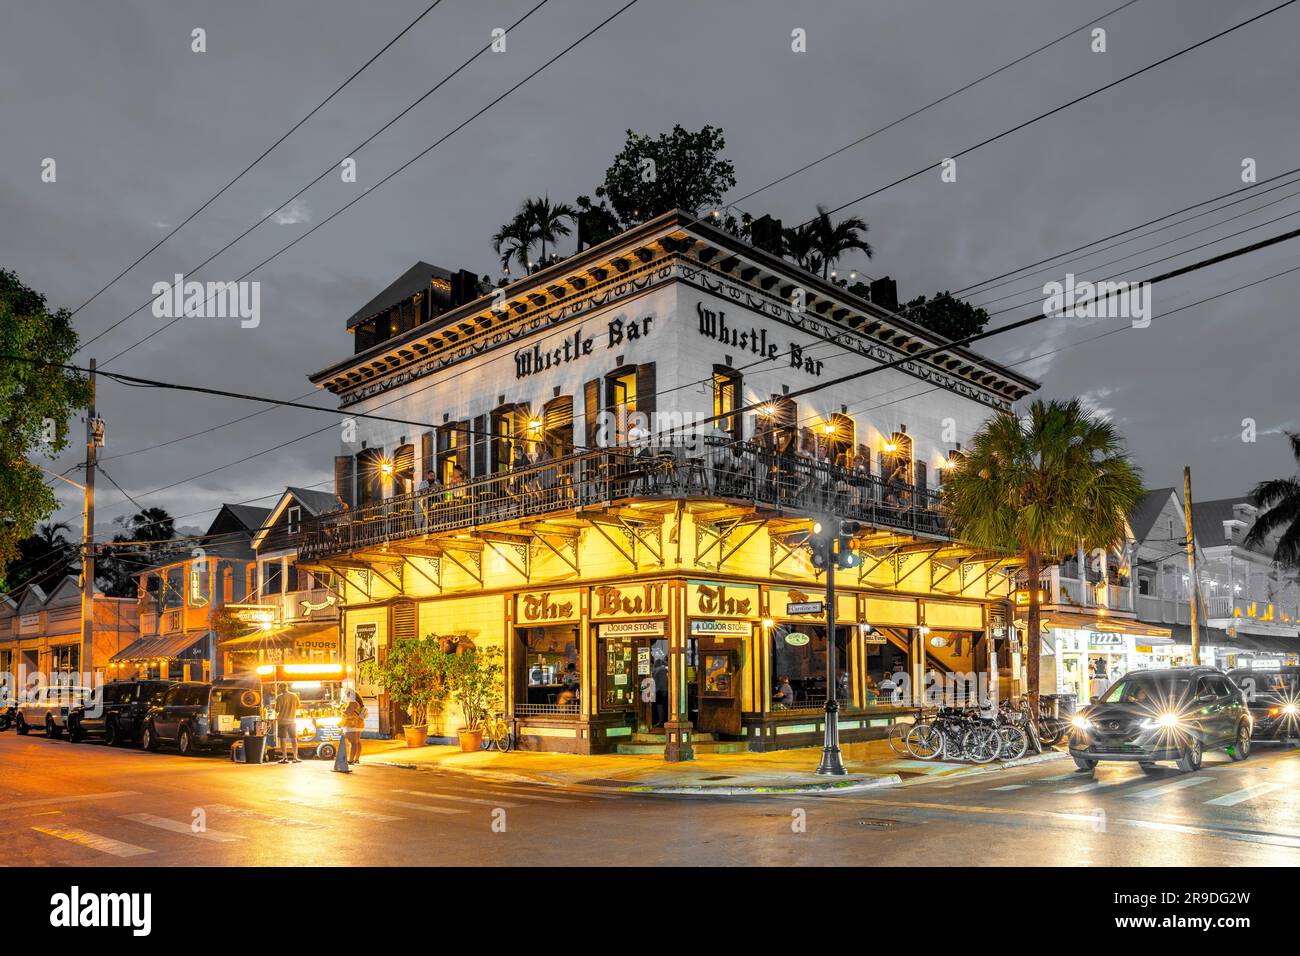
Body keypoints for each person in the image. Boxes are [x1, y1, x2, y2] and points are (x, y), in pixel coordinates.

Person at [273, 684, 301, 764]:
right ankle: (295, 758)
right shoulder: (294, 696)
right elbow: (298, 706)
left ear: (280, 688)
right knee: (294, 739)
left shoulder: (279, 697)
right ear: (287, 687)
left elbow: (277, 710)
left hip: (282, 721)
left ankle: (285, 758)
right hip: (292, 720)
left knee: (283, 739)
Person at [340, 689, 366, 766]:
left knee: (352, 743)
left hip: (351, 724)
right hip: (357, 724)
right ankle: (356, 759)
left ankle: (350, 760)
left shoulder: (352, 702)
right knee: (357, 742)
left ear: (349, 695)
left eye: (346, 694)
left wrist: (339, 709)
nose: (345, 696)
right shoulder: (357, 702)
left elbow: (348, 712)